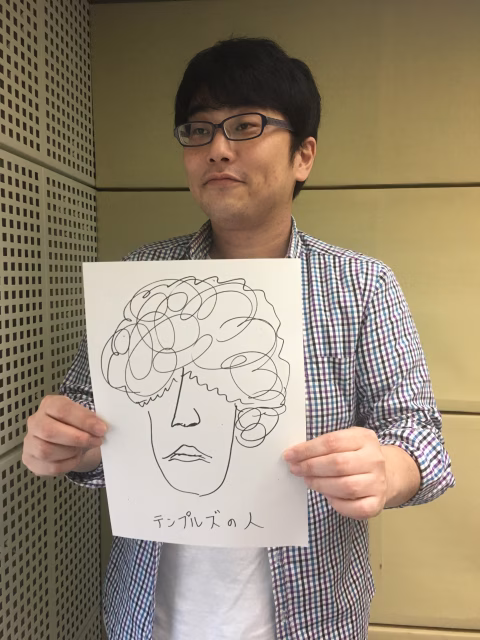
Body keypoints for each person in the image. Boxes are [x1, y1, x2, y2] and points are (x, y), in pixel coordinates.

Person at [22, 37, 455, 640]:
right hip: (148, 618)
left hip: (310, 619)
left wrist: (386, 469)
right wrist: (66, 444)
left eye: (246, 126)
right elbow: (94, 425)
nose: (218, 148)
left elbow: (422, 439)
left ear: (303, 156)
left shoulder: (361, 286)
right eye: (198, 130)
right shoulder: (142, 276)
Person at [101, 275, 289, 496]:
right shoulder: (130, 271)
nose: (183, 418)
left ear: (245, 408)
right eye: (163, 389)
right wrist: (82, 446)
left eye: (211, 388)